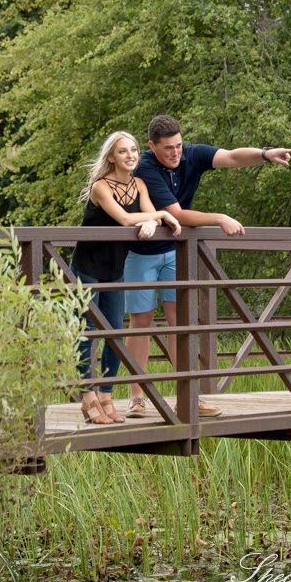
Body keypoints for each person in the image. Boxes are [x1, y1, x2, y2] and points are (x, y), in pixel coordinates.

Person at [124, 115, 291, 418]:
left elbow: (230, 156)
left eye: (178, 145)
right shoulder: (146, 168)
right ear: (152, 146)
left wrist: (266, 154)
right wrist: (219, 217)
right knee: (141, 322)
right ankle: (137, 398)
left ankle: (187, 396)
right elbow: (177, 214)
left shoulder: (191, 153)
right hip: (142, 252)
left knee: (181, 323)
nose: (175, 153)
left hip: (175, 251)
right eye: (167, 149)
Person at [70, 131, 181, 425]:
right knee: (86, 333)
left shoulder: (140, 184)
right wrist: (159, 216)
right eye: (123, 151)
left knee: (115, 335)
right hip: (87, 268)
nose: (131, 155)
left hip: (115, 269)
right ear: (111, 157)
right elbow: (124, 218)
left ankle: (106, 396)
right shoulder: (100, 187)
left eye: (133, 150)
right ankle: (88, 398)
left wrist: (152, 218)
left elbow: (147, 216)